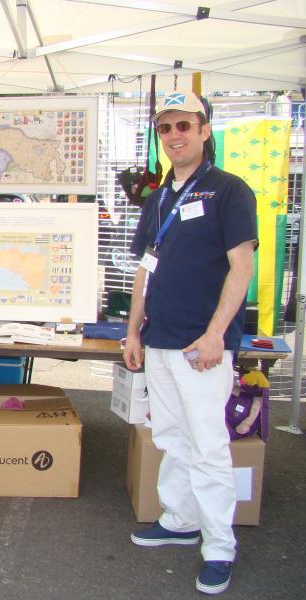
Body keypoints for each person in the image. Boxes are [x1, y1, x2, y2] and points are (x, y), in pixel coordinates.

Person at [123, 91, 256, 595]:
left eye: (185, 125)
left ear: (205, 131)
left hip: (203, 346)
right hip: (158, 341)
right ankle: (180, 520)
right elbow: (145, 268)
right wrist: (133, 330)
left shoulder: (228, 190)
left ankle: (219, 547)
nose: (175, 135)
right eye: (166, 128)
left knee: (207, 447)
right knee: (170, 439)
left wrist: (217, 334)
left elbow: (241, 266)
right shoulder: (158, 198)